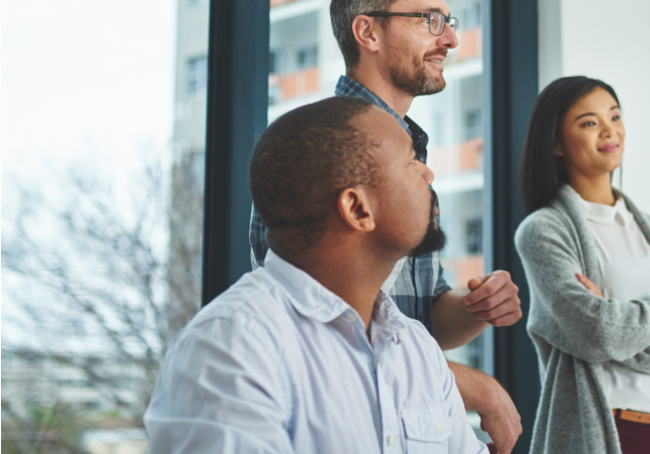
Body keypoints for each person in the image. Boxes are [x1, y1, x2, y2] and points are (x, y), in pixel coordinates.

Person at [249, 0, 522, 452]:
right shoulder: (317, 149)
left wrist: (474, 307)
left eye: (449, 22)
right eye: (429, 21)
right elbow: (320, 327)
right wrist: (472, 384)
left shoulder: (412, 157)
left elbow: (424, 320)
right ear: (368, 33)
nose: (450, 39)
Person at [146, 96, 488, 453]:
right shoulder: (230, 348)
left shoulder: (415, 348)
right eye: (410, 162)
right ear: (358, 209)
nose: (428, 173)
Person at [514, 77, 650, 454]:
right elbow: (601, 334)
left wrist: (617, 323)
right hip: (606, 432)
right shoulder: (543, 231)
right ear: (557, 143)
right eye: (589, 122)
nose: (610, 130)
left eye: (615, 116)